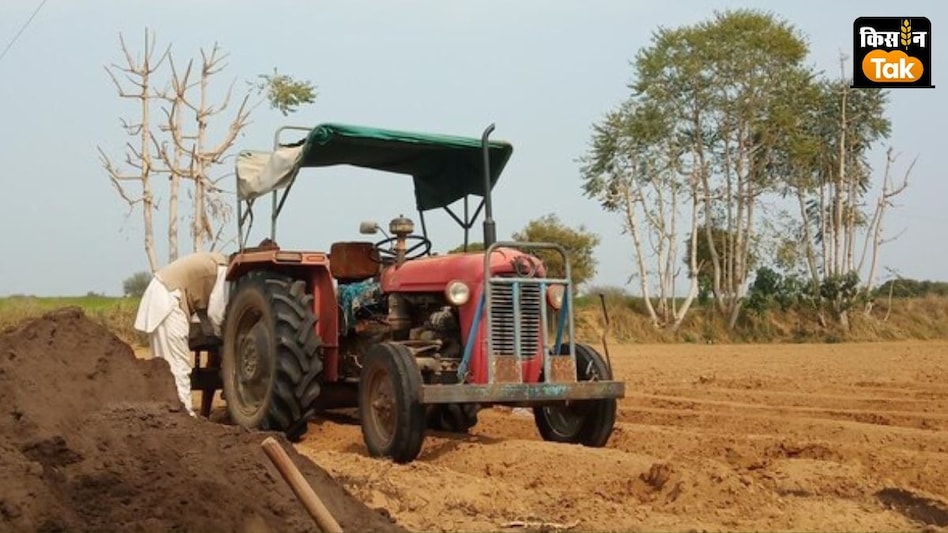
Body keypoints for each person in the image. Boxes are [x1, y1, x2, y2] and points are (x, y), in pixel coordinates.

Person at [134, 252, 229, 416]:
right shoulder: (223, 270)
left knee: (165, 368)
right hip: (169, 300)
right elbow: (216, 314)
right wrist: (225, 338)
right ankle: (183, 417)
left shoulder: (216, 264)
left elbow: (206, 309)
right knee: (177, 367)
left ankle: (169, 416)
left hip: (163, 293)